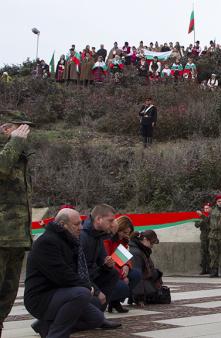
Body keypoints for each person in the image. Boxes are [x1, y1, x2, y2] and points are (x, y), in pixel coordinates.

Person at [24, 208, 120, 338]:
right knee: (81, 293)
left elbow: (79, 271)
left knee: (96, 319)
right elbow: (62, 275)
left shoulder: (70, 241)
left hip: (61, 293)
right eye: (76, 224)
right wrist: (89, 287)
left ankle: (46, 325)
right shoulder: (47, 242)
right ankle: (56, 334)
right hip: (41, 298)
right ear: (63, 225)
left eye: (80, 223)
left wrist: (93, 285)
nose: (80, 227)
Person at [0, 111, 33, 335]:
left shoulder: (20, 157)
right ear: (5, 129)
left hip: (17, 237)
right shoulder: (9, 152)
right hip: (1, 236)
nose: (25, 133)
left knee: (9, 292)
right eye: (19, 128)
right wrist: (15, 143)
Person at [79, 204, 120, 312]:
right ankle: (95, 312)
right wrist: (97, 291)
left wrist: (108, 264)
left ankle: (98, 313)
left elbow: (102, 262)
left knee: (113, 273)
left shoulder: (98, 236)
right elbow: (78, 270)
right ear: (98, 219)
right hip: (80, 280)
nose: (112, 224)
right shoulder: (82, 236)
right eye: (110, 220)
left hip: (91, 276)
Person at [103, 216, 142, 312]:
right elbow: (108, 261)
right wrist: (122, 275)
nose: (125, 235)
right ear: (118, 229)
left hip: (117, 268)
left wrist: (126, 266)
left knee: (136, 274)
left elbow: (124, 258)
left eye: (128, 233)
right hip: (107, 271)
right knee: (123, 286)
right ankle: (111, 300)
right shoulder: (107, 239)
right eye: (124, 232)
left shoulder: (123, 240)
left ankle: (115, 302)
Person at [129, 230, 163, 305]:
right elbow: (138, 275)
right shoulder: (137, 252)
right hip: (142, 285)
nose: (152, 246)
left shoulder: (143, 250)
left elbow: (147, 269)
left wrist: (157, 274)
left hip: (146, 282)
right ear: (144, 239)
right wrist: (140, 298)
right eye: (151, 243)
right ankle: (135, 297)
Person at [194, 203, 212, 275]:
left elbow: (209, 222)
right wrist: (200, 221)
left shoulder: (212, 216)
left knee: (210, 253)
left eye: (207, 208)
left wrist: (202, 216)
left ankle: (210, 269)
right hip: (204, 236)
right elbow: (196, 225)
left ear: (210, 209)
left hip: (211, 235)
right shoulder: (200, 217)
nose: (206, 209)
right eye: (205, 208)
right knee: (203, 253)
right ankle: (204, 269)